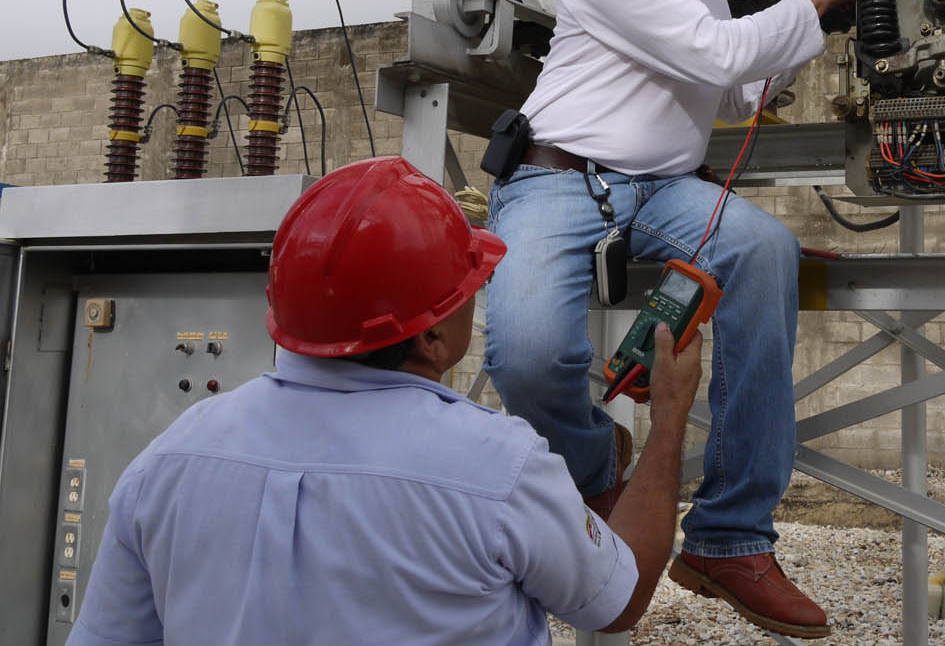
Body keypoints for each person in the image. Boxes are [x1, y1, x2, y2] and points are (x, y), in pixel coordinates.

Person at [483, 0, 856, 640]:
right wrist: (812, 1)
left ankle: (729, 538)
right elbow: (712, 51)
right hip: (558, 179)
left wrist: (811, 42)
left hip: (662, 189)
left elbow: (730, 86)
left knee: (764, 251)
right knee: (533, 352)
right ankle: (594, 462)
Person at [67, 156, 701, 646]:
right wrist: (669, 419)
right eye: (466, 287)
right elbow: (619, 600)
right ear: (430, 336)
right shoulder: (497, 466)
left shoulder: (169, 460)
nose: (474, 301)